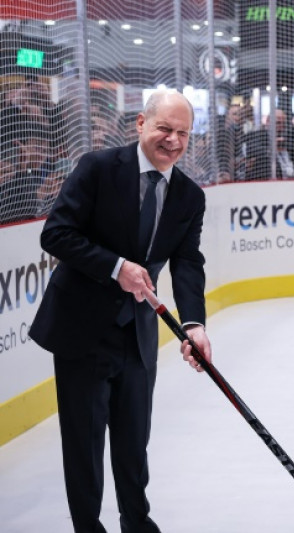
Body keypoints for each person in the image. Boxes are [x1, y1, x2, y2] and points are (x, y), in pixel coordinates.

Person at [29, 89, 211, 533]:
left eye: (182, 133)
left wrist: (194, 324)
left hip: (138, 334)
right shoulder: (98, 168)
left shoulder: (189, 196)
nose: (172, 141)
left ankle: (136, 522)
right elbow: (56, 235)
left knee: (133, 441)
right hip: (83, 331)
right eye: (164, 128)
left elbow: (187, 262)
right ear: (141, 125)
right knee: (85, 444)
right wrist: (115, 268)